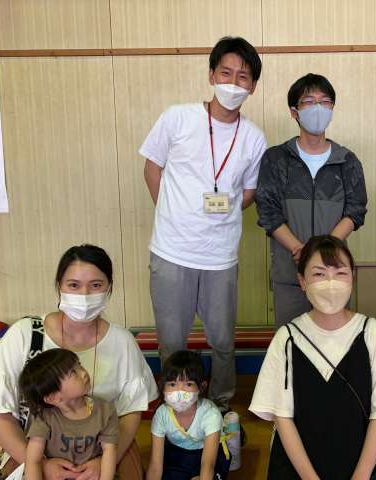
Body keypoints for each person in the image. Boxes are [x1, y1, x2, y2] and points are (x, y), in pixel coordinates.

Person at [140, 36, 267, 411]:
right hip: (171, 251)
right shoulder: (177, 117)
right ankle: (176, 405)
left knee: (223, 341)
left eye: (243, 77)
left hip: (220, 256)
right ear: (211, 75)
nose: (233, 83)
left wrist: (224, 212)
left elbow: (250, 191)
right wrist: (171, 212)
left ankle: (222, 403)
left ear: (253, 86)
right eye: (226, 73)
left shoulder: (254, 138)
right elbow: (152, 168)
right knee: (171, 341)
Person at [0, 244, 157, 480]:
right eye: (74, 285)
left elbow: (130, 412)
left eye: (96, 285)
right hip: (32, 450)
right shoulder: (25, 334)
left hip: (104, 451)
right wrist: (40, 464)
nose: (84, 295)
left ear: (109, 287)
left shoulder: (123, 342)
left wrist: (104, 462)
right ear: (59, 286)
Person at [249, 235, 376, 479]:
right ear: (302, 281)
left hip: (359, 464)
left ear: (352, 278)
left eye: (340, 273)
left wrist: (361, 476)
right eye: (319, 274)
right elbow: (282, 417)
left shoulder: (372, 333)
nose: (330, 283)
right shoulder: (287, 338)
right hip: (297, 468)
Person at [255, 73, 367, 327]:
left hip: (334, 273)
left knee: (335, 339)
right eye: (309, 101)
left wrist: (323, 251)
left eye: (325, 102)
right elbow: (268, 211)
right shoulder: (276, 159)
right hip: (289, 275)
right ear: (294, 112)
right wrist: (300, 250)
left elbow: (356, 210)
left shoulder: (347, 161)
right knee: (291, 339)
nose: (318, 108)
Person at [20, 349, 118, 480]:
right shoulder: (45, 418)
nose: (83, 373)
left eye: (79, 365)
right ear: (53, 397)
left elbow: (109, 451)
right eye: (73, 372)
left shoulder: (105, 411)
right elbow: (33, 460)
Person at [147, 350, 231, 480]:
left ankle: (233, 432)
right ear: (162, 387)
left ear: (202, 387)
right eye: (172, 384)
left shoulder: (211, 415)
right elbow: (155, 465)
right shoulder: (161, 415)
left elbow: (207, 465)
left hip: (208, 454)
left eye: (188, 384)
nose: (179, 391)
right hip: (178, 454)